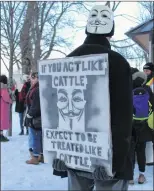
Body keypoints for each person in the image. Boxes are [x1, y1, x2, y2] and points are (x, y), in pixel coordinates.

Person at [52, 5, 133, 190]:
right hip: (108, 157)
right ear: (111, 33)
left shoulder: (66, 60)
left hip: (73, 154)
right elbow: (122, 116)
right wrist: (116, 161)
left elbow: (53, 111)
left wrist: (58, 153)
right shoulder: (118, 62)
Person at [130, 69, 154, 184]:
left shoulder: (128, 89)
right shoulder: (147, 89)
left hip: (131, 124)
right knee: (141, 151)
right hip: (144, 125)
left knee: (130, 150)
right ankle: (141, 176)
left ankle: (129, 177)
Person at [25, 72, 43, 164]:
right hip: (37, 116)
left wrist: (29, 115)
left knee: (35, 136)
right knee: (39, 136)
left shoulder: (37, 89)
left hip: (36, 116)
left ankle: (35, 157)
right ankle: (40, 155)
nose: (31, 79)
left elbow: (35, 105)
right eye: (31, 77)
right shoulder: (35, 88)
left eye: (34, 77)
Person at [143, 62, 154, 166]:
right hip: (147, 113)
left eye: (147, 70)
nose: (145, 72)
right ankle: (149, 159)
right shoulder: (144, 81)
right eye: (144, 70)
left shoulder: (152, 82)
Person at [0, 75, 12, 142]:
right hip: (3, 106)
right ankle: (1, 135)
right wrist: (10, 100)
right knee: (2, 121)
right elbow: (5, 97)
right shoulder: (3, 87)